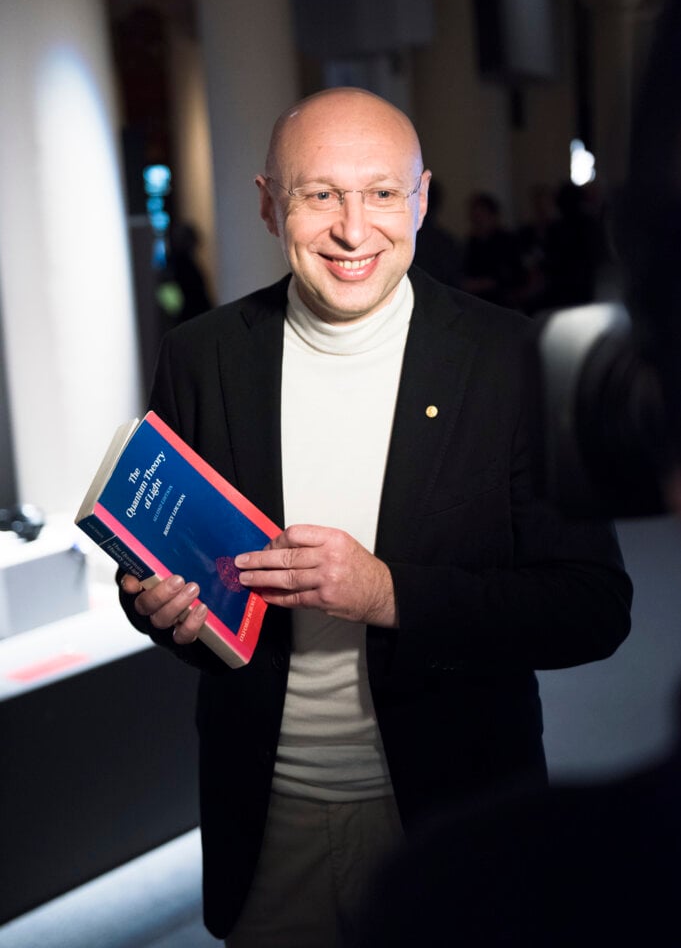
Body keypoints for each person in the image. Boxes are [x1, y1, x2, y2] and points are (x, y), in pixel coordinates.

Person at [117, 87, 632, 947]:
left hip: (458, 812)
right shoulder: (201, 357)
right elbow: (166, 568)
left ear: (421, 199)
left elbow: (591, 607)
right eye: (319, 194)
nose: (353, 230)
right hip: (267, 815)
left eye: (381, 193)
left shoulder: (515, 361)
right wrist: (156, 610)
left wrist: (389, 592)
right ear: (268, 202)